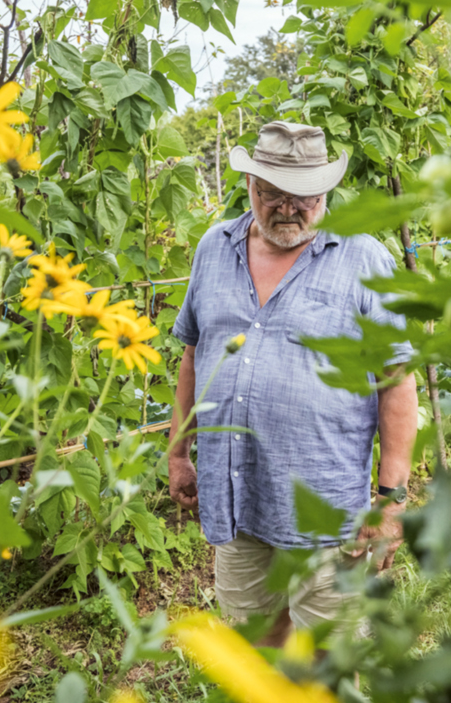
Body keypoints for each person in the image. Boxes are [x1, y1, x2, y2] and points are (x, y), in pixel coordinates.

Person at [167, 120, 417, 647]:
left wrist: (390, 500)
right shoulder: (214, 249)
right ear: (251, 186)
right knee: (258, 649)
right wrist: (178, 453)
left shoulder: (364, 259)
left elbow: (396, 382)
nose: (287, 208)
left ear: (325, 192)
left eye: (303, 197)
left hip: (330, 515)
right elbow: (194, 355)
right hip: (238, 500)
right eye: (272, 193)